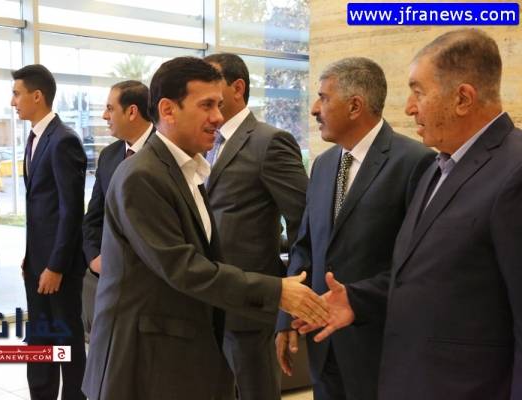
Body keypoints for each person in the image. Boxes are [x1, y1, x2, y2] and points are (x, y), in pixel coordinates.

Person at [82, 56, 325, 400]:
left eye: (219, 105)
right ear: (168, 110)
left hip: (182, 350)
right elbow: (182, 267)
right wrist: (277, 291)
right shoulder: (142, 175)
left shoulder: (185, 169)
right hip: (144, 362)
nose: (218, 117)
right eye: (207, 105)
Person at [297, 29, 522, 400]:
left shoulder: (514, 171)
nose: (409, 108)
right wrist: (356, 299)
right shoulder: (438, 168)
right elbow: (421, 277)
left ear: (462, 98)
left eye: (418, 92)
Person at [275, 57, 434, 400]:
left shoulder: (415, 162)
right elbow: (306, 246)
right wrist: (287, 316)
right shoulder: (322, 164)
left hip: (378, 349)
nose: (314, 109)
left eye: (323, 98)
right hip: (322, 346)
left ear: (355, 106)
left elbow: (417, 265)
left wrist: (357, 301)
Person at [203, 52, 308, 400]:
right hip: (207, 300)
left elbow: (303, 224)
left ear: (237, 88)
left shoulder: (270, 142)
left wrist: (289, 305)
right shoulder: (202, 143)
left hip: (251, 307)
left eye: (211, 82)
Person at [11, 64, 87, 400]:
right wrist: (32, 258)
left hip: (59, 268)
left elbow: (71, 211)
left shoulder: (63, 140)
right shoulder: (35, 139)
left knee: (65, 340)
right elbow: (41, 209)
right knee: (39, 338)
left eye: (17, 94)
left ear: (37, 96)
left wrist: (55, 265)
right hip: (37, 263)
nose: (13, 102)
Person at [81, 80, 153, 335]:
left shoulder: (166, 151)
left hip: (152, 286)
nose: (104, 115)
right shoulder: (109, 155)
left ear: (132, 112)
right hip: (109, 280)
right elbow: (93, 216)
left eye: (110, 108)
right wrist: (94, 258)